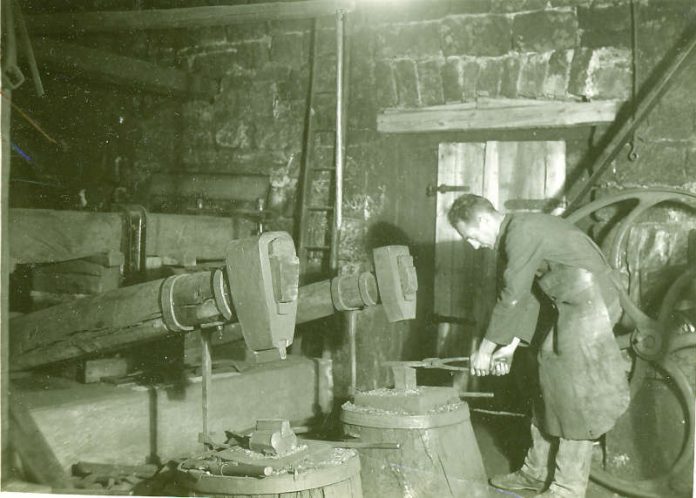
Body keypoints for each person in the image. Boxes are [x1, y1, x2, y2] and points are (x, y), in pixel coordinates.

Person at [448, 194, 630, 498]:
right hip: (571, 301)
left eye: (470, 236)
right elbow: (531, 297)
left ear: (482, 220)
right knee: (543, 380)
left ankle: (567, 489)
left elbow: (513, 296)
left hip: (592, 300)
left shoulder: (521, 232)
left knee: (571, 392)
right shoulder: (515, 235)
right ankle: (535, 473)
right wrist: (508, 346)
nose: (472, 245)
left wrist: (484, 349)